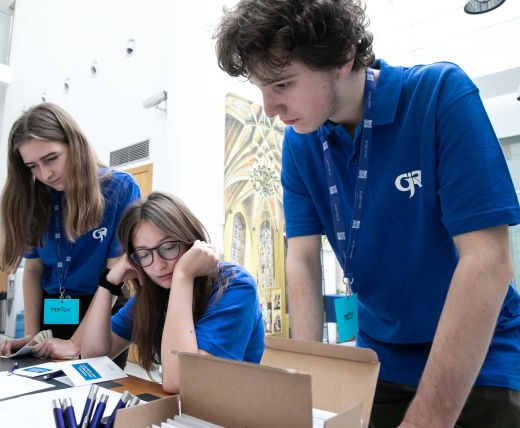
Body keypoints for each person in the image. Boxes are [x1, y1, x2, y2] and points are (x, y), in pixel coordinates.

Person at [215, 1, 520, 427]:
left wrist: (427, 420)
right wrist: (307, 388)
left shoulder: (438, 95)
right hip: (382, 361)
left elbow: (487, 260)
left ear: (342, 57)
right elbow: (302, 259)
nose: (269, 109)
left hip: (481, 358)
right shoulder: (301, 143)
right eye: (260, 87)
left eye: (282, 84)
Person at [79, 192, 265, 393]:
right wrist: (109, 282)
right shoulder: (155, 291)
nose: (158, 265)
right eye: (143, 254)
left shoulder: (236, 287)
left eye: (168, 247)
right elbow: (93, 356)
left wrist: (183, 276)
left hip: (231, 406)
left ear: (191, 241)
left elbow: (179, 381)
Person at [0, 103, 141, 362]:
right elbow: (33, 270)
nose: (45, 174)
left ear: (74, 144)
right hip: (52, 307)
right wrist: (32, 334)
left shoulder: (119, 188)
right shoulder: (34, 198)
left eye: (51, 158)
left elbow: (115, 274)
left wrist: (76, 343)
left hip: (102, 304)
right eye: (32, 166)